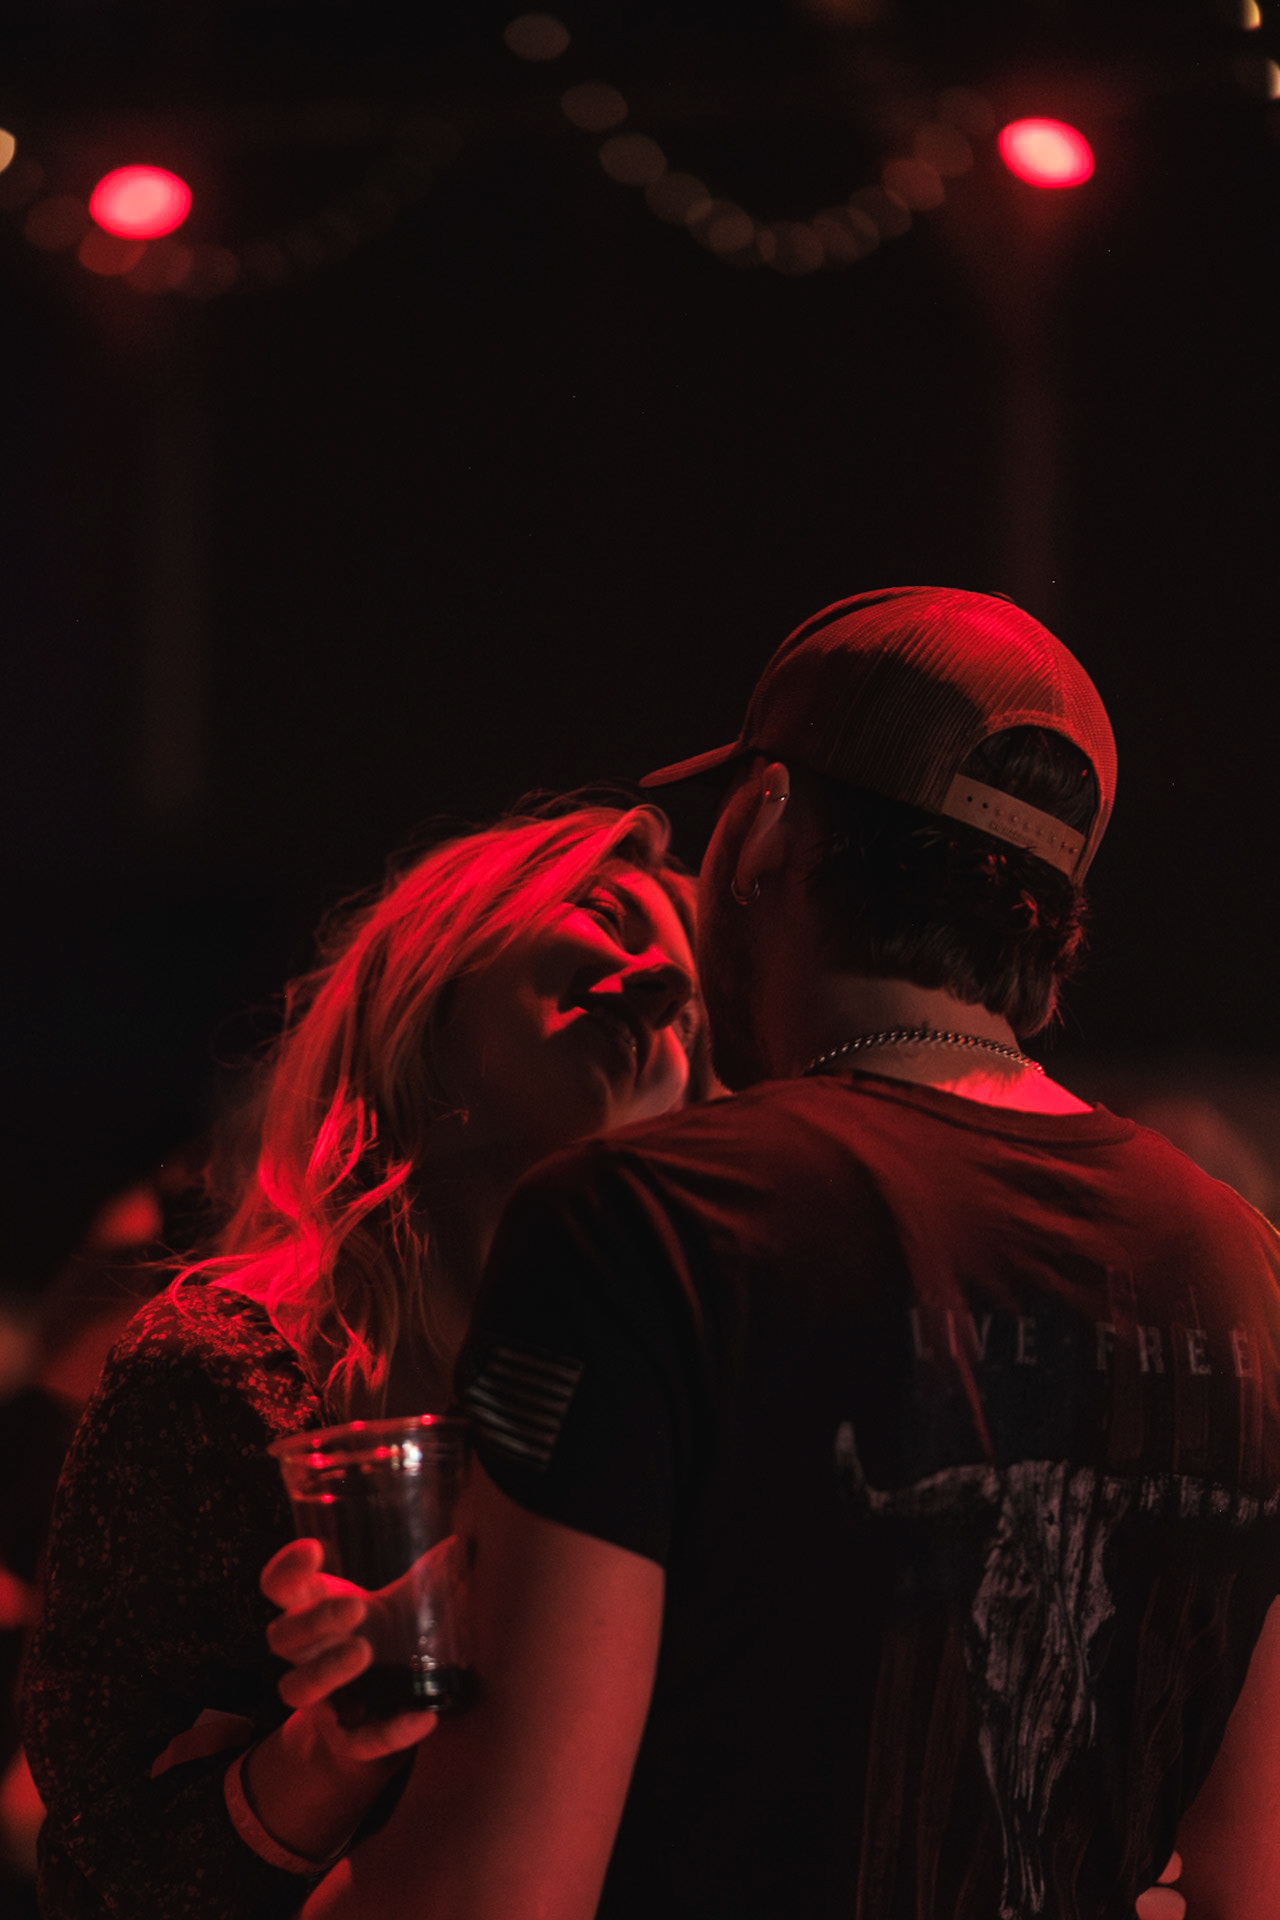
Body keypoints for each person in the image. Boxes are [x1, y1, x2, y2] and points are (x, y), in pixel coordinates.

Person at [268, 587, 1280, 1920]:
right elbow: (1251, 1879)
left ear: (761, 825)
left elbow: (491, 1890)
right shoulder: (1241, 1268)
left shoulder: (643, 1221)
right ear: (1044, 928)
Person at [21, 799, 707, 1919]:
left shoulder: (674, 1390)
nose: (664, 985)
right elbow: (107, 1858)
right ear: (427, 976)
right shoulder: (216, 1372)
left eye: (693, 1009)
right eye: (603, 914)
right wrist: (336, 1743)